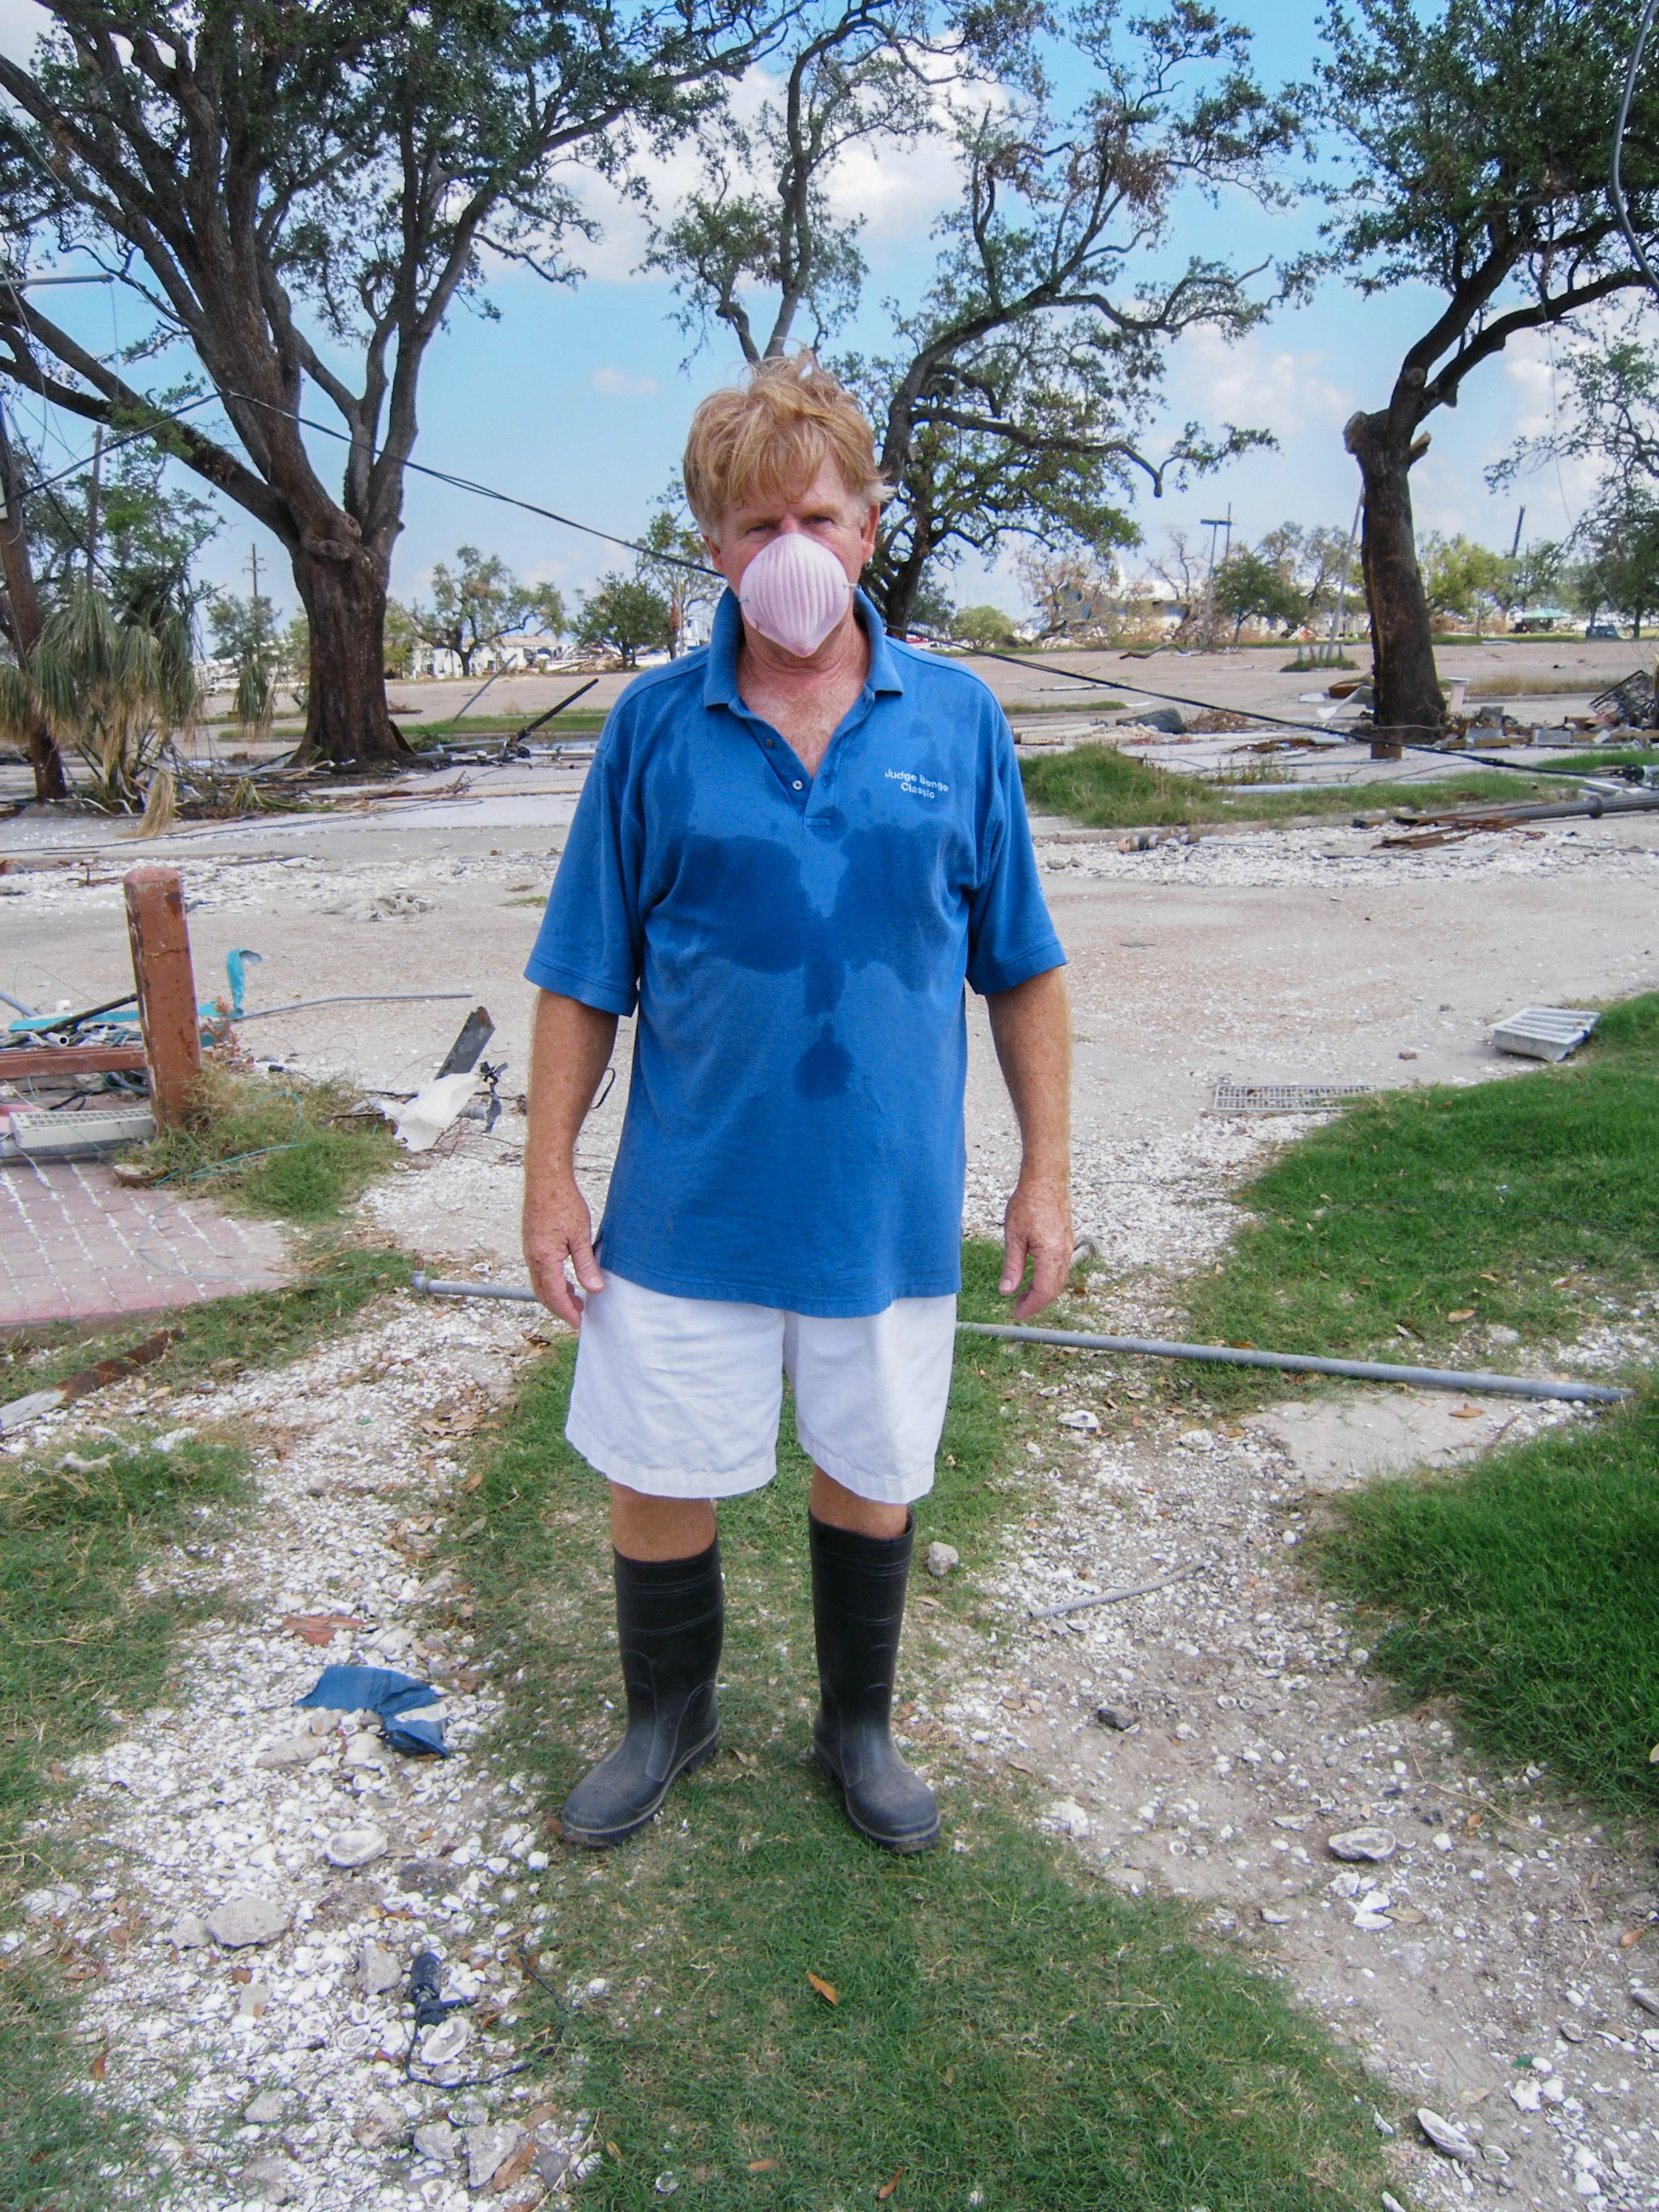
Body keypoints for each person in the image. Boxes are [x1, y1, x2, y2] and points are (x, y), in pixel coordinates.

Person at [522, 353, 1070, 1855]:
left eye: (816, 518)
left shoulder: (955, 723)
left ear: (870, 523)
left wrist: (1042, 1176)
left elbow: (1019, 967)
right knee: (658, 1465)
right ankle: (665, 1715)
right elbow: (581, 973)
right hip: (687, 1199)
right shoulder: (648, 728)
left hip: (882, 1205)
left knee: (871, 1465)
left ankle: (856, 1727)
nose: (789, 556)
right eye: (754, 527)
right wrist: (549, 1177)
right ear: (711, 545)